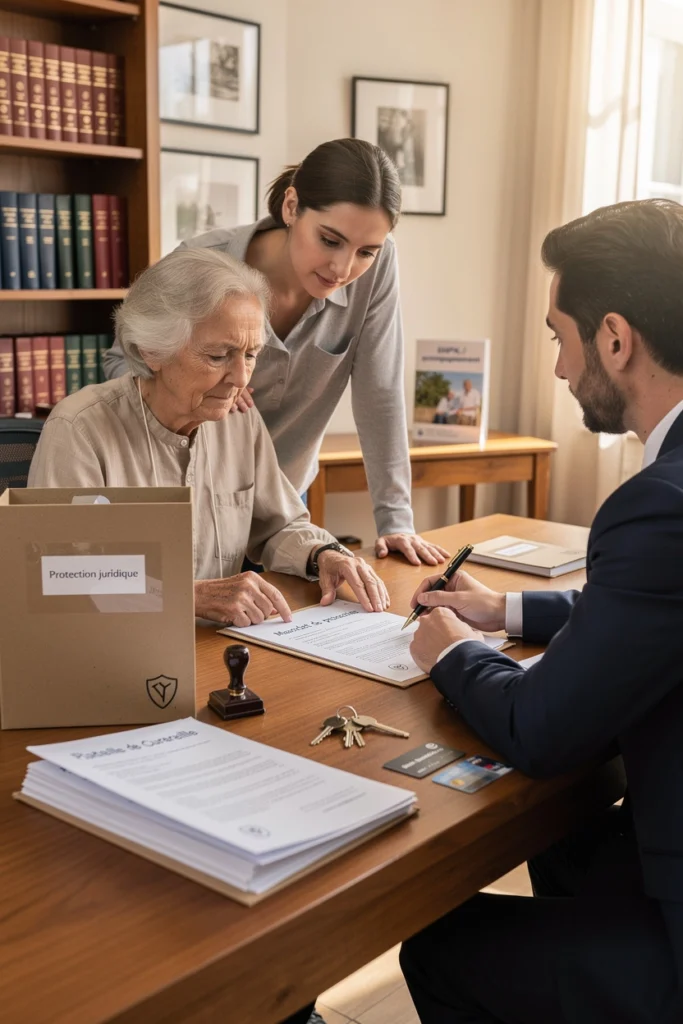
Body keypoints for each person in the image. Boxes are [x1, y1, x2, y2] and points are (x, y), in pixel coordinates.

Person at [400, 199, 683, 1023]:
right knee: (567, 845)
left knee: (440, 949)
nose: (558, 368)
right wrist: (505, 610)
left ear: (615, 339)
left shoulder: (658, 503)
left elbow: (541, 730)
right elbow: (654, 606)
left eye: (559, 337)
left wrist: (450, 649)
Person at [103, 138, 449, 569]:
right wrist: (206, 384)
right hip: (193, 499)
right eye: (330, 240)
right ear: (291, 206)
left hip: (285, 504)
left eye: (365, 252)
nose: (343, 269)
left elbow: (380, 393)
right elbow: (122, 364)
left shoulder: (376, 270)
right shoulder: (200, 261)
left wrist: (396, 520)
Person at [28, 247, 389, 626]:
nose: (242, 378)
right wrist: (189, 596)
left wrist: (323, 554)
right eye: (218, 356)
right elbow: (60, 575)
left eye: (250, 355)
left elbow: (279, 525)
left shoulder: (239, 420)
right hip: (119, 645)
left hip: (222, 642)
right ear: (152, 351)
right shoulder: (79, 429)